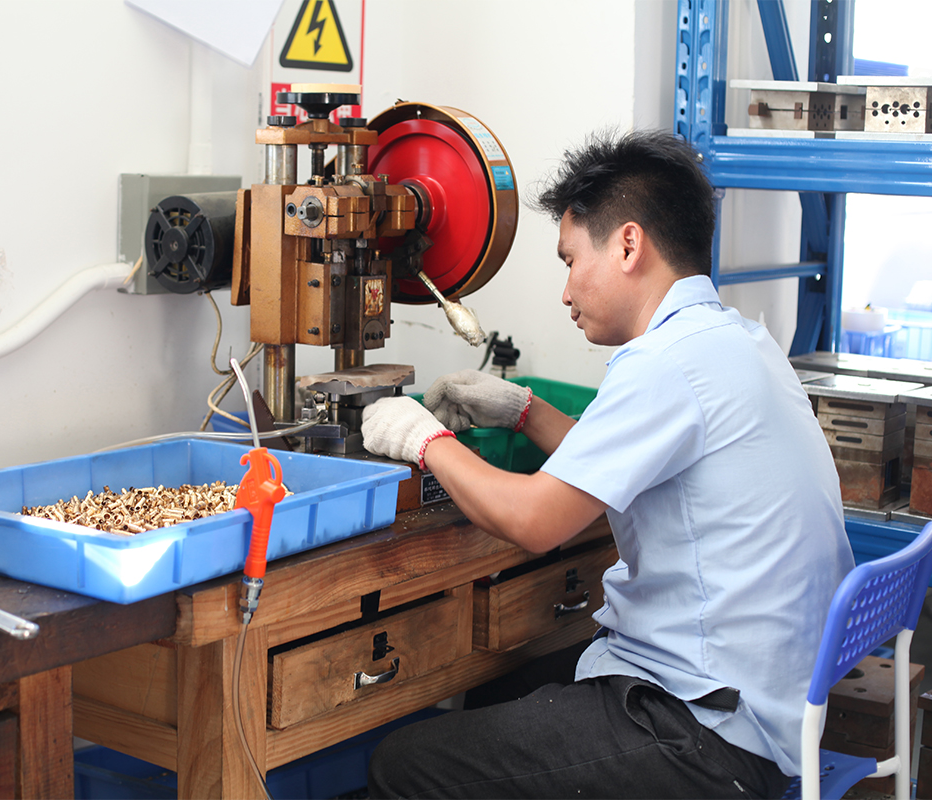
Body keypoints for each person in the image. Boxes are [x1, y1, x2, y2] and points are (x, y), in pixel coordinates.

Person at [359, 129, 855, 799]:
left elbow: (535, 522)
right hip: (774, 707)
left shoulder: (664, 363)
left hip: (711, 739)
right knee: (499, 690)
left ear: (627, 245)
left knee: (403, 763)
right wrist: (523, 410)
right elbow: (623, 463)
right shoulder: (737, 339)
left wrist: (423, 440)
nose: (565, 293)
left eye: (570, 261)